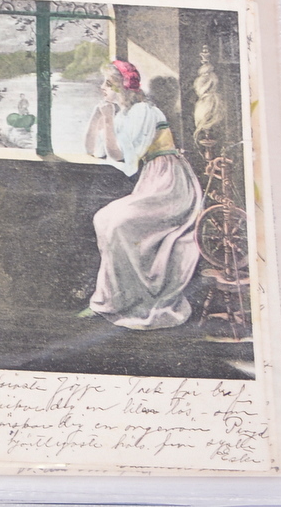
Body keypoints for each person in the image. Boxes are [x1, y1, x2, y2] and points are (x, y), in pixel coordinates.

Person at [82, 59, 204, 329]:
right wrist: (98, 118)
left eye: (108, 83)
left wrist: (108, 120)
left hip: (170, 182)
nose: (103, 88)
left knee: (120, 223)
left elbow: (122, 157)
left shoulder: (145, 112)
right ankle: (114, 298)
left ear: (123, 87)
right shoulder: (123, 115)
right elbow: (93, 150)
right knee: (103, 218)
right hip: (152, 180)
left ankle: (140, 297)